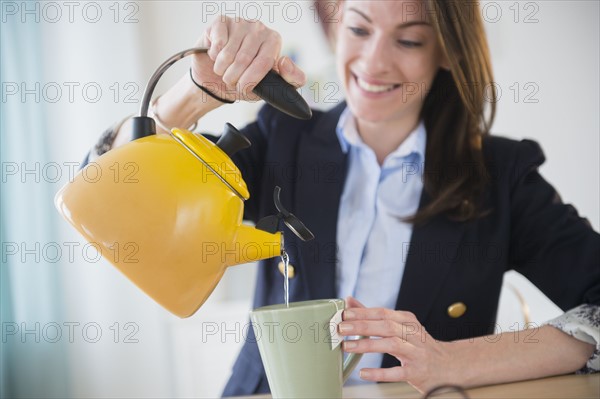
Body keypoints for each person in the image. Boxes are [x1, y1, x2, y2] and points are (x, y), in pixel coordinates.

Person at [86, 0, 600, 396]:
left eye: (410, 40)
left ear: (446, 51)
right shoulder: (280, 137)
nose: (374, 62)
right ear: (334, 27)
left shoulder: (500, 176)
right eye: (358, 29)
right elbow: (111, 192)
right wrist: (197, 92)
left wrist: (453, 360)